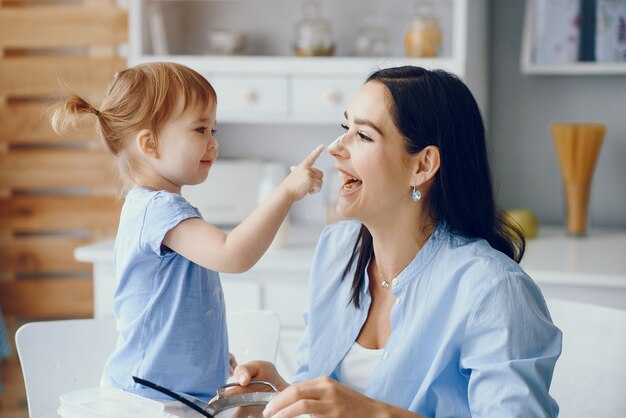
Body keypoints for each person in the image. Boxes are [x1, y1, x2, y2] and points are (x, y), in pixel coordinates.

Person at [232, 66, 562, 418]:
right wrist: (282, 394)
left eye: (363, 135)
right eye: (346, 128)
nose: (336, 149)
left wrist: (374, 414)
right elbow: (324, 392)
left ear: (423, 165)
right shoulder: (336, 250)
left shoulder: (493, 290)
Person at [51, 62, 324, 415]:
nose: (213, 142)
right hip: (147, 401)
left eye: (213, 128)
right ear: (149, 144)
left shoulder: (159, 207)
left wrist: (208, 355)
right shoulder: (159, 210)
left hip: (172, 395)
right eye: (200, 129)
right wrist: (286, 191)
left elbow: (177, 308)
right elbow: (232, 254)